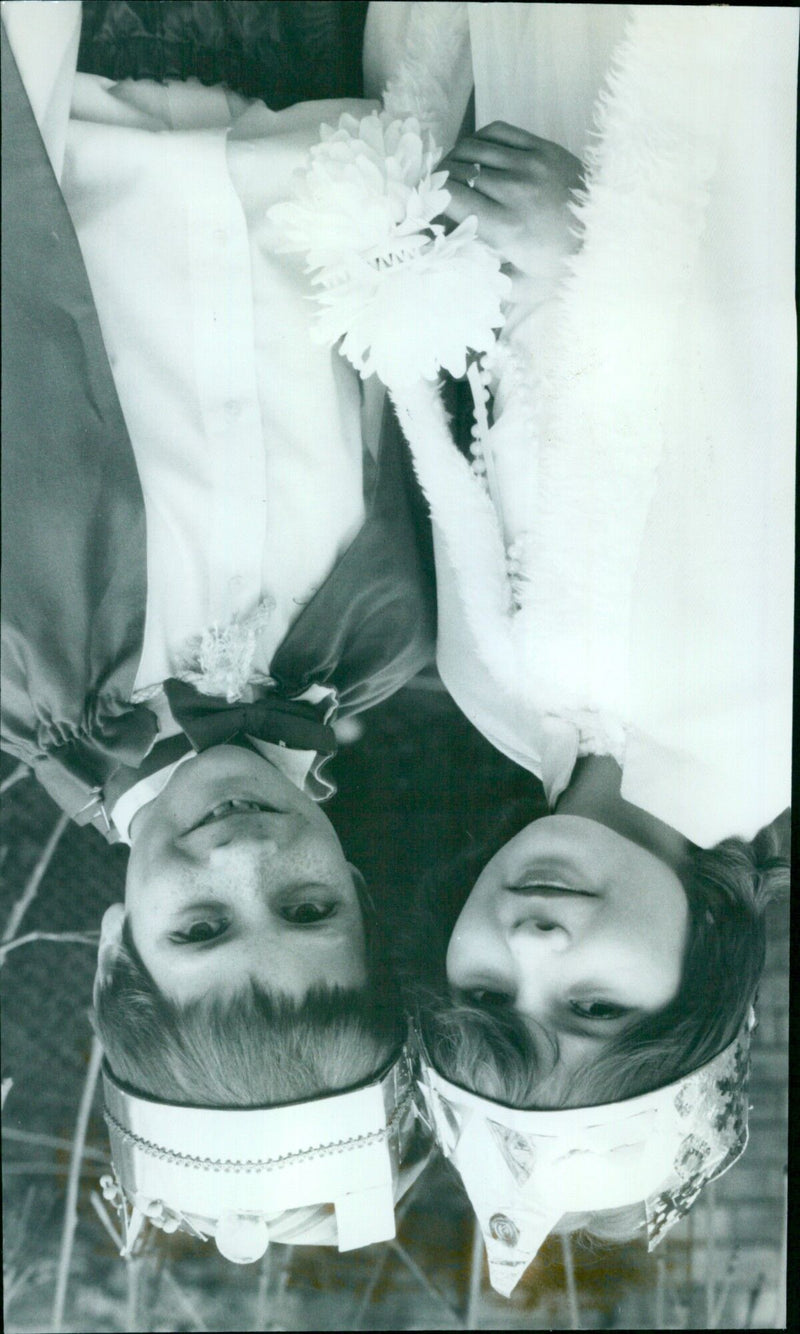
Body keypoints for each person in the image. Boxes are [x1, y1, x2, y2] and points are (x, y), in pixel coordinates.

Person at [356, 1, 795, 1293]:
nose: (536, 949)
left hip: (538, 70)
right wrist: (604, 252)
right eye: (598, 1005)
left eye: (487, 996)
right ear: (708, 964)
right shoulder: (767, 714)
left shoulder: (495, 700)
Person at [1, 0, 434, 1257]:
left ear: (114, 948)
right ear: (354, 888)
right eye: (306, 908)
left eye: (199, 927)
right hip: (319, 57)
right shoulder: (390, 643)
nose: (248, 859)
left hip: (64, 61)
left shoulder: (24, 662)